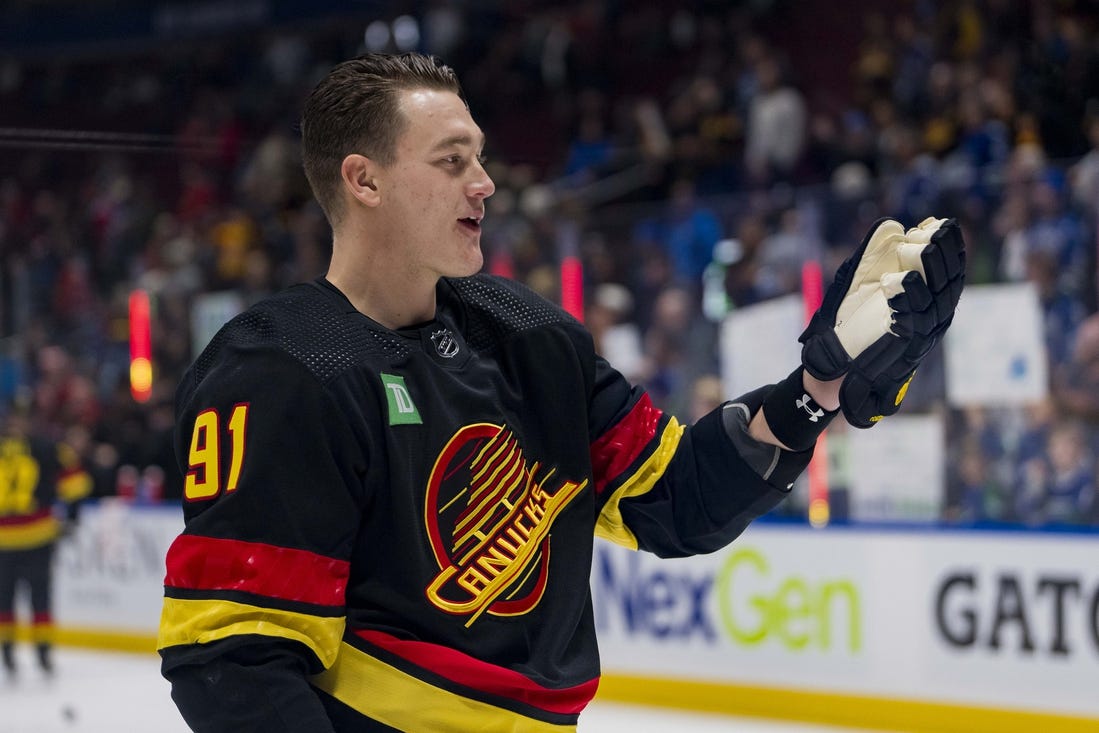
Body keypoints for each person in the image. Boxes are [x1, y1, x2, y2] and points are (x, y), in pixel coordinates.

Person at [157, 53, 964, 732]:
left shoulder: (527, 335)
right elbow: (234, 664)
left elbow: (676, 500)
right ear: (363, 181)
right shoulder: (282, 369)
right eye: (450, 161)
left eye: (478, 156)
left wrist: (815, 387)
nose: (484, 184)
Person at [0, 409, 92, 678]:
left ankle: (8, 654)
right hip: (38, 534)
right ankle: (43, 654)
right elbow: (77, 484)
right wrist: (72, 518)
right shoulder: (48, 447)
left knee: (5, 600)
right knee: (40, 598)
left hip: (4, 539)